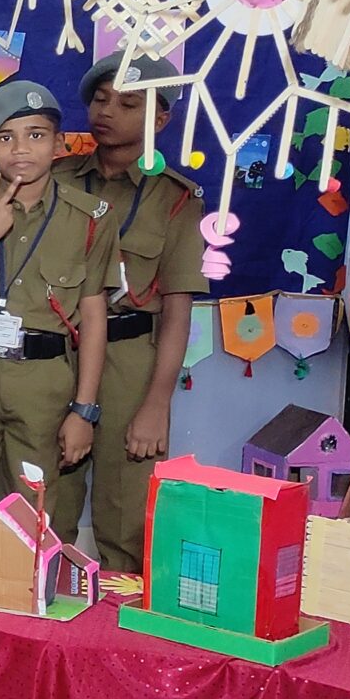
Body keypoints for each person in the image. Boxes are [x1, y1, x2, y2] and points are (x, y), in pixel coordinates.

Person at [56, 51, 207, 570]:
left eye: (127, 104)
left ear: (160, 120)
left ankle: (116, 618)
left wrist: (157, 404)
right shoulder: (57, 181)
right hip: (59, 353)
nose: (107, 112)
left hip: (130, 365)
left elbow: (178, 311)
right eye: (100, 100)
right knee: (44, 509)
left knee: (125, 522)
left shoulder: (176, 200)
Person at [0, 81, 116, 520]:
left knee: (30, 513)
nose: (21, 149)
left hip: (42, 384)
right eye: (5, 137)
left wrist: (84, 410)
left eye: (35, 135)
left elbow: (93, 317)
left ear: (59, 143)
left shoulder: (90, 219)